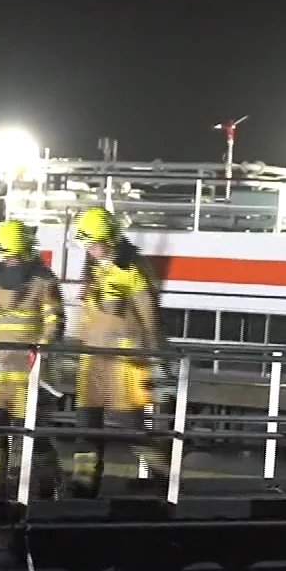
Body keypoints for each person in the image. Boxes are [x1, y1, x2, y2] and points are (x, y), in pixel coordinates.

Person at [64, 206, 167, 497]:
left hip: (125, 362)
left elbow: (149, 317)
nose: (89, 249)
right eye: (85, 244)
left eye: (92, 243)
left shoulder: (131, 271)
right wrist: (72, 349)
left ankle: (165, 479)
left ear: (107, 239)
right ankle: (83, 482)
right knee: (86, 423)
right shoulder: (95, 270)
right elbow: (86, 316)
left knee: (130, 425)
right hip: (93, 359)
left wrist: (155, 357)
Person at [0, 219, 65, 499]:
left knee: (35, 433)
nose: (7, 262)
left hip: (29, 371)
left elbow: (54, 321)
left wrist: (42, 350)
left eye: (10, 256)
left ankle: (47, 482)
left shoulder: (44, 283)